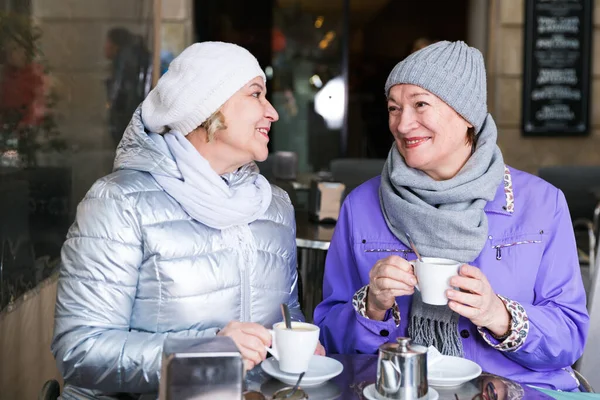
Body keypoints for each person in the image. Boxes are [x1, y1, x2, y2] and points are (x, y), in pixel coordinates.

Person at [52, 41, 323, 399]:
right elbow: (80, 350)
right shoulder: (119, 203)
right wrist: (207, 351)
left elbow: (288, 316)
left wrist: (300, 343)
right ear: (207, 107)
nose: (272, 112)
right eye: (256, 94)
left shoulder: (275, 206)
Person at [313, 41, 589, 391]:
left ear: (467, 115)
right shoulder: (362, 205)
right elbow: (329, 340)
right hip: (399, 391)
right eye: (394, 108)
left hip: (518, 391)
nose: (402, 123)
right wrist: (372, 306)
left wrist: (497, 316)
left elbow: (569, 338)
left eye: (420, 104)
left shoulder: (541, 203)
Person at [104, 27, 152, 147]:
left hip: (127, 121)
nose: (105, 47)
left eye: (107, 42)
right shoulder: (134, 57)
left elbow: (118, 92)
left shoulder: (124, 60)